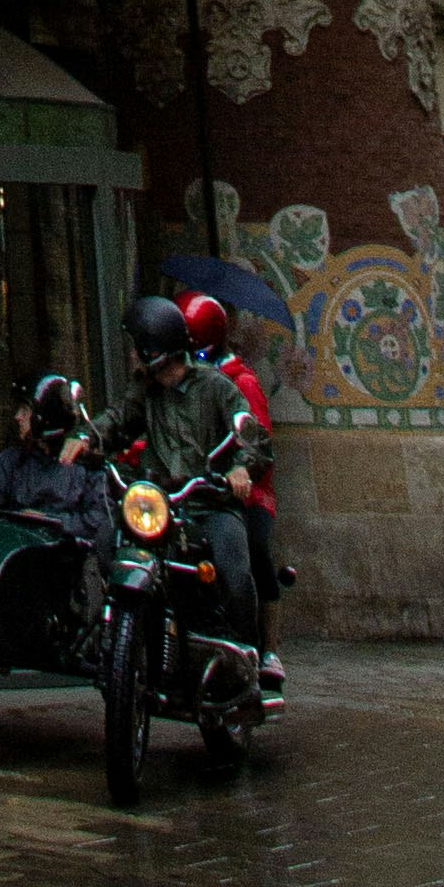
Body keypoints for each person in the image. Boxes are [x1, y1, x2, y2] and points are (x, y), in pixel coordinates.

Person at [99, 289, 275, 694]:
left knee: (233, 571)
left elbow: (254, 437)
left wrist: (239, 467)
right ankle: (121, 638)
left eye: (136, 348)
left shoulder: (216, 388)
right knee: (108, 541)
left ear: (154, 350)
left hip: (209, 505)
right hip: (160, 507)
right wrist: (87, 438)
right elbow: (118, 421)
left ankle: (246, 658)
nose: (131, 356)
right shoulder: (145, 391)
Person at [182, 289, 287, 697]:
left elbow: (258, 439)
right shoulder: (185, 386)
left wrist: (242, 469)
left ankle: (268, 648)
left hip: (246, 493)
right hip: (203, 490)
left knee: (254, 548)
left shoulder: (240, 382)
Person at [0, 366, 108, 545]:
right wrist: (15, 524)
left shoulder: (85, 464)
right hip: (17, 559)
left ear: (43, 416)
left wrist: (48, 521)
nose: (17, 417)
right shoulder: (10, 461)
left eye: (24, 410)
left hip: (71, 563)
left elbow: (99, 522)